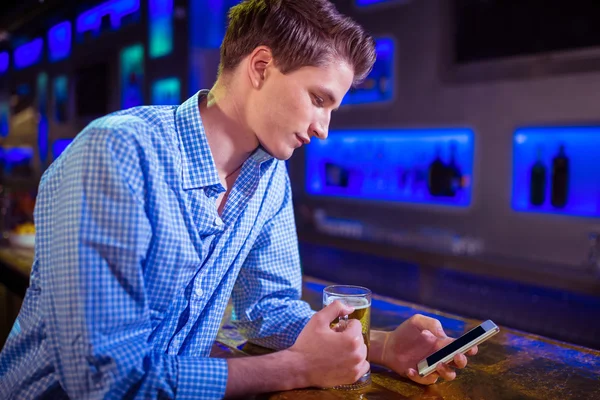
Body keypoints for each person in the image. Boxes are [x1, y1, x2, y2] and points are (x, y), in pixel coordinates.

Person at [0, 0, 478, 398]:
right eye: (318, 99)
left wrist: (379, 345)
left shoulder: (270, 177)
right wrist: (297, 369)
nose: (324, 130)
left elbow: (269, 309)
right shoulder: (117, 153)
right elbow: (102, 381)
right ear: (262, 67)